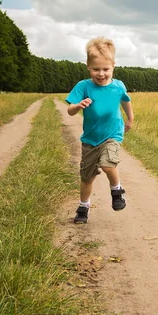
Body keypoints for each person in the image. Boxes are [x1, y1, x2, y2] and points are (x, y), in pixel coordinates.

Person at [66, 37, 134, 224]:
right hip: (90, 140)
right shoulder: (83, 86)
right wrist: (78, 105)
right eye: (96, 69)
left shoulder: (118, 86)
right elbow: (70, 110)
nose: (101, 73)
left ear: (113, 66)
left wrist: (130, 118)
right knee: (86, 178)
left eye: (106, 69)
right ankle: (83, 207)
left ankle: (116, 190)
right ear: (88, 66)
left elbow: (125, 100)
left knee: (108, 164)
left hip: (112, 135)